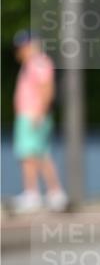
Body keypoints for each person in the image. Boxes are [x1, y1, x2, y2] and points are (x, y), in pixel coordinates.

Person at [11, 30, 68, 213]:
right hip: (34, 114)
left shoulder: (38, 62)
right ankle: (55, 194)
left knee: (28, 156)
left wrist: (39, 113)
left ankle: (32, 194)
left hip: (32, 114)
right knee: (41, 155)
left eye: (23, 47)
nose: (20, 51)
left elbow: (47, 88)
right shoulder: (34, 63)